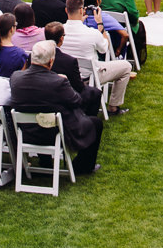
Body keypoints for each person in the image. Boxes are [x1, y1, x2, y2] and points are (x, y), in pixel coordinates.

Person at [10, 40, 103, 175]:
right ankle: (83, 166)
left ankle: (45, 161)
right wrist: (66, 82)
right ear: (51, 62)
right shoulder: (58, 82)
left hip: (25, 132)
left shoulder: (16, 77)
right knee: (96, 123)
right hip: (53, 134)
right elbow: (77, 100)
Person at [62, 0, 135, 113]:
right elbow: (105, 48)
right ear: (82, 10)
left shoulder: (58, 30)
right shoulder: (92, 33)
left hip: (65, 75)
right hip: (89, 76)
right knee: (126, 66)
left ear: (66, 10)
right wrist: (100, 24)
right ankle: (114, 106)